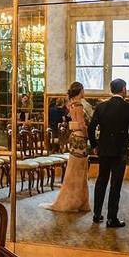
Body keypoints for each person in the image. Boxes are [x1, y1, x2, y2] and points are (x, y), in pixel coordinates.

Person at [88, 78, 129, 228]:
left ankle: (96, 214)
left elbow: (91, 128)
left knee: (101, 181)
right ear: (123, 89)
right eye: (126, 88)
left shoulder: (101, 107)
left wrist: (95, 144)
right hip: (120, 150)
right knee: (116, 184)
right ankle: (111, 218)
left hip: (104, 149)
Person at [45, 82, 91, 213]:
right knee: (79, 171)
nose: (84, 91)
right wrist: (88, 135)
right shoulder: (79, 105)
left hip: (73, 137)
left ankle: (76, 199)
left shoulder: (70, 104)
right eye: (83, 89)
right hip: (80, 138)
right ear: (80, 91)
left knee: (73, 169)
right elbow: (81, 124)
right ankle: (76, 200)